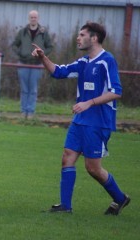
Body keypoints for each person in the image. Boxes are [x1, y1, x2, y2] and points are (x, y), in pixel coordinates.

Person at [32, 22, 130, 215]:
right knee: (67, 157)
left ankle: (120, 198)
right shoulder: (83, 62)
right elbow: (58, 72)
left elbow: (116, 91)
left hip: (98, 122)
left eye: (82, 35)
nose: (78, 38)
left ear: (94, 38)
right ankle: (65, 207)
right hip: (80, 120)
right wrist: (43, 58)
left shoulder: (106, 61)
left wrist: (89, 102)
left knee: (93, 168)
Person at [12, 10, 53, 119]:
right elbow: (14, 45)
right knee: (24, 89)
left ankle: (30, 112)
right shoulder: (22, 32)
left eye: (35, 17)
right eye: (31, 17)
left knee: (33, 89)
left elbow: (50, 47)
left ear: (38, 18)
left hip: (37, 64)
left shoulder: (44, 33)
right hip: (23, 64)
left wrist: (42, 55)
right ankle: (23, 111)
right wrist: (20, 53)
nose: (33, 19)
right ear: (29, 18)